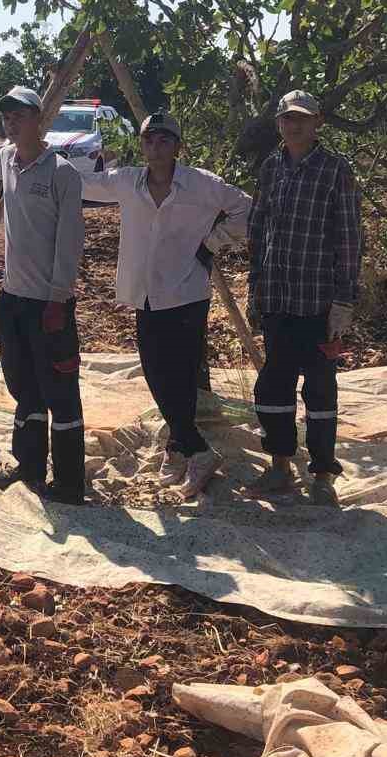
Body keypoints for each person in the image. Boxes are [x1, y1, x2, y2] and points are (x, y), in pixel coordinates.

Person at [87, 111, 250, 498]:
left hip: (186, 294)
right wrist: (39, 154)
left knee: (178, 376)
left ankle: (193, 450)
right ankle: (181, 446)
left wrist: (212, 242)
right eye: (149, 140)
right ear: (141, 145)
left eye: (164, 141)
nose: (155, 148)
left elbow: (247, 209)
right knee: (155, 373)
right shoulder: (127, 181)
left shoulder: (200, 184)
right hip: (145, 295)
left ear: (177, 146)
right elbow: (83, 184)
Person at [0, 85, 87, 504]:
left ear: (39, 120)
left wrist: (57, 298)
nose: (12, 123)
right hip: (12, 299)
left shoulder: (61, 173)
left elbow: (71, 242)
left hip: (49, 302)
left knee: (60, 394)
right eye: (7, 117)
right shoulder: (4, 158)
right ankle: (28, 467)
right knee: (24, 388)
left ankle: (68, 482)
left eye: (20, 116)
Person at [245, 90, 361, 505]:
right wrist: (254, 289)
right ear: (278, 124)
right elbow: (258, 230)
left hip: (317, 302)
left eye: (303, 119)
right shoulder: (271, 168)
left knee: (319, 390)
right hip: (277, 298)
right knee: (274, 385)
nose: (295, 126)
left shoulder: (335, 171)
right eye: (287, 119)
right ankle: (279, 465)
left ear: (317, 124)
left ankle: (324, 473)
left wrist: (344, 301)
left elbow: (349, 240)